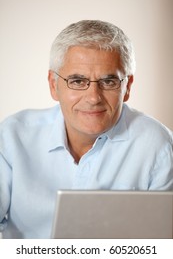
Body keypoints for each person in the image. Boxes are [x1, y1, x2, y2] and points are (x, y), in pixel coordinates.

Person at [0, 20, 173, 239]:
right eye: (78, 81)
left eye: (109, 81)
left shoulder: (159, 146)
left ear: (127, 87)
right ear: (54, 85)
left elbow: (161, 245)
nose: (93, 98)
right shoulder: (13, 136)